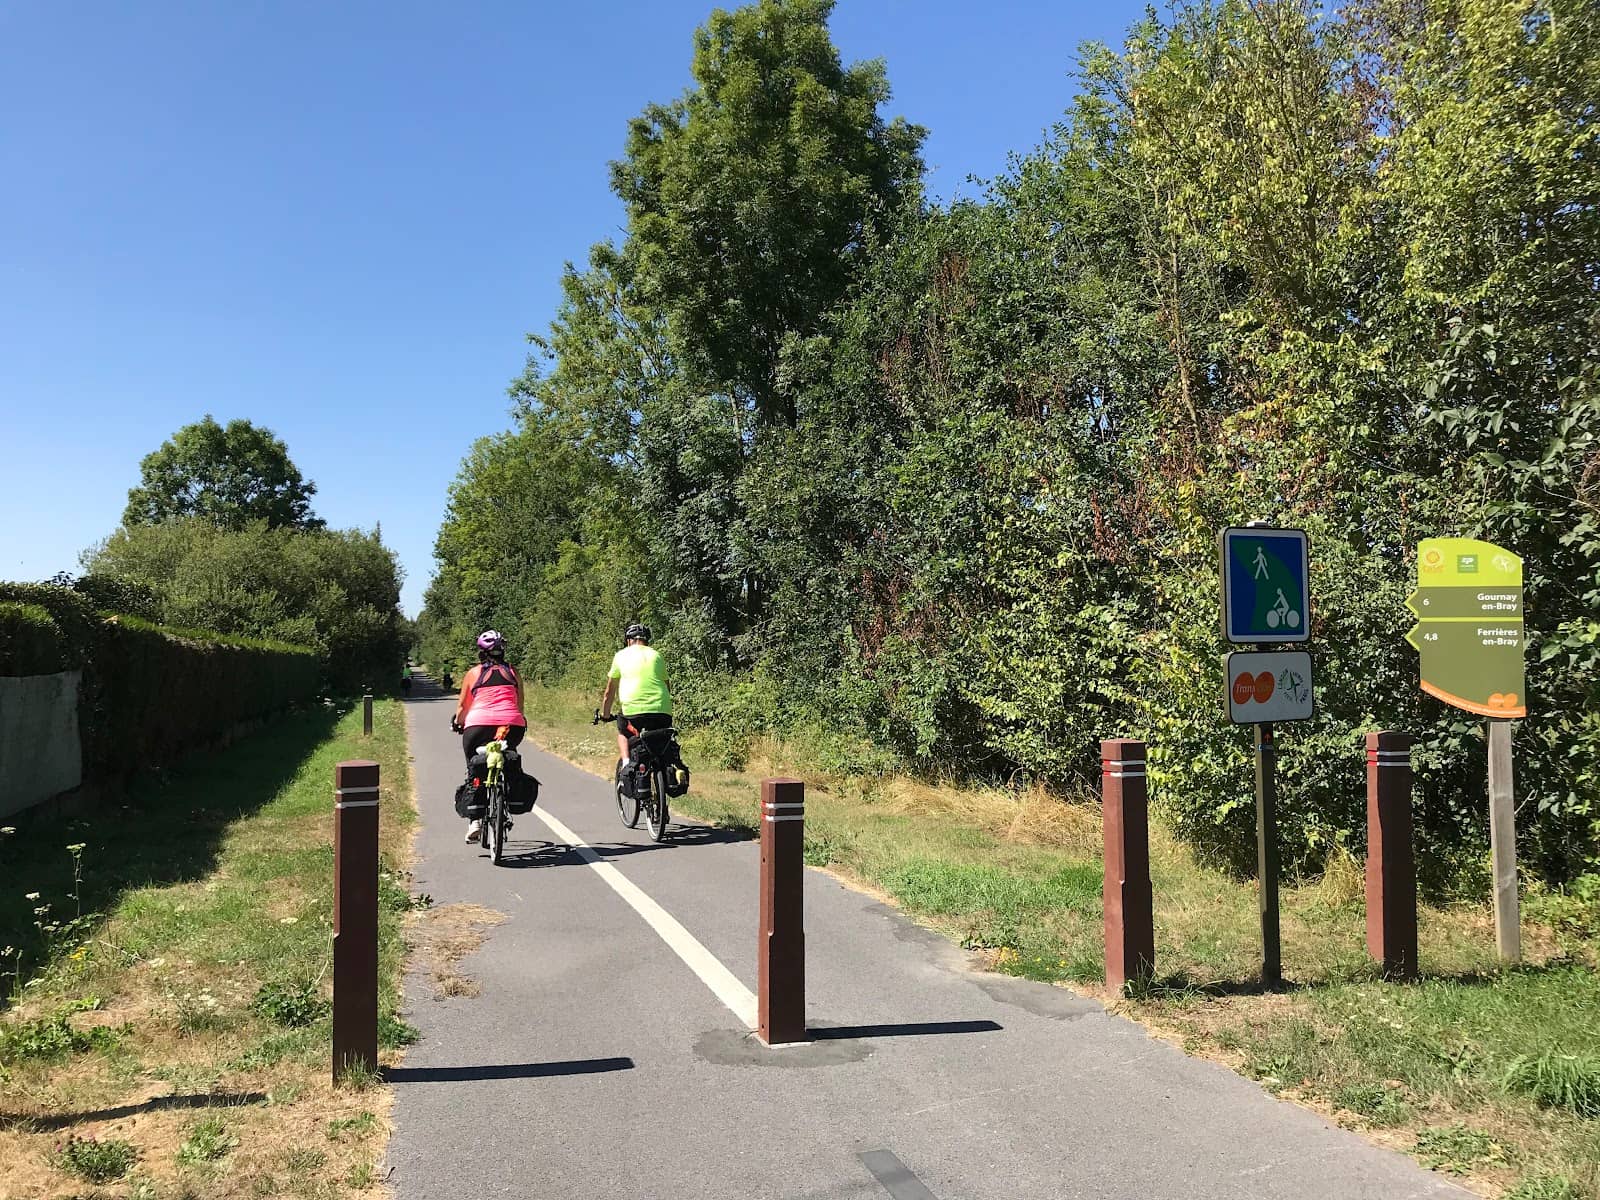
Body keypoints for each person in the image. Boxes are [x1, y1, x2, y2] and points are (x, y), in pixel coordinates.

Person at [451, 631, 527, 841]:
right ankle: (507, 792)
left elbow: (462, 708)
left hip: (478, 726)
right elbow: (519, 705)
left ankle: (474, 820)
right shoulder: (513, 672)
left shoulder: (473, 673)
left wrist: (458, 723)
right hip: (510, 725)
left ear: (481, 653)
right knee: (508, 755)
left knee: (473, 769)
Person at [598, 623, 672, 768]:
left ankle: (626, 763)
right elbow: (667, 687)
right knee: (663, 740)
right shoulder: (657, 655)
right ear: (647, 641)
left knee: (623, 732)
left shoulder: (620, 656)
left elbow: (609, 692)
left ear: (628, 640)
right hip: (662, 710)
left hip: (633, 712)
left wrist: (605, 715)